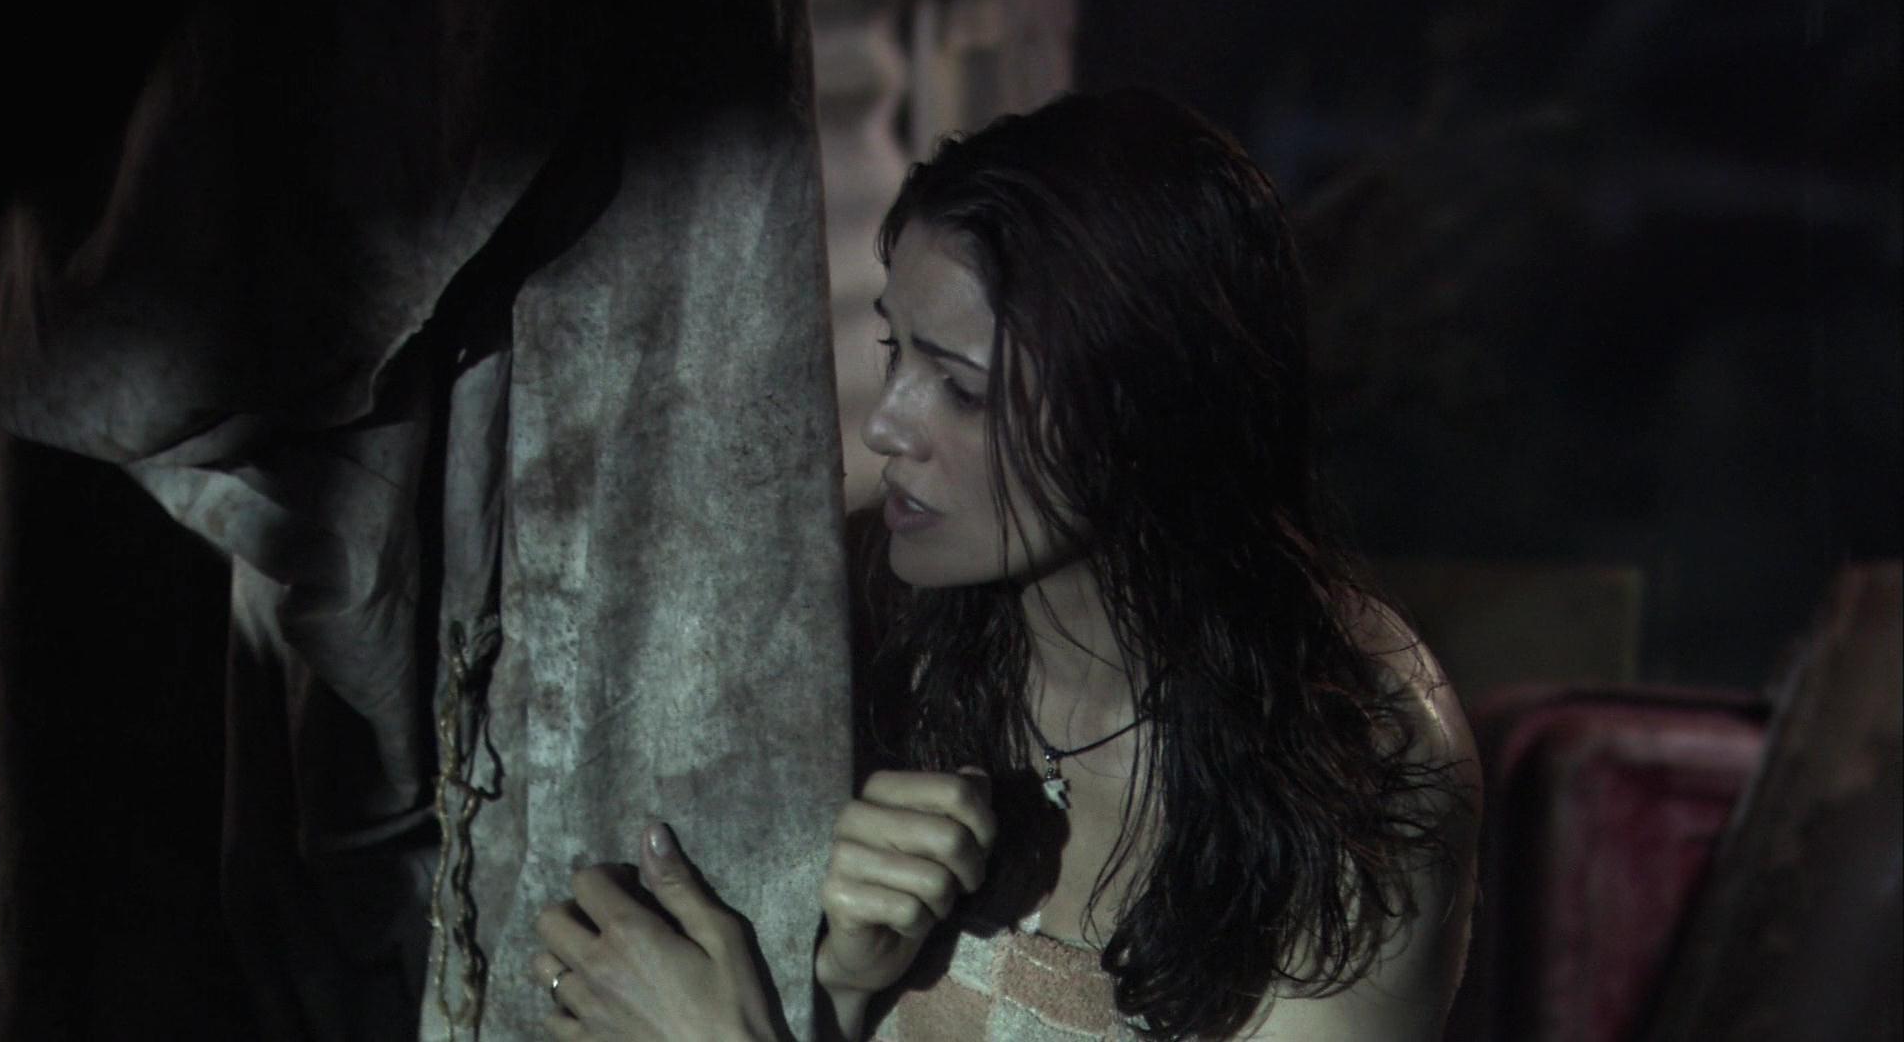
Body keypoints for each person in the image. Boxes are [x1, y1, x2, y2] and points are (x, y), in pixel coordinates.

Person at [529, 89, 1481, 1041]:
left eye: (961, 387)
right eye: (895, 349)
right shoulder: (864, 614)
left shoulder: (1353, 751)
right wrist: (845, 991)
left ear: (1142, 413)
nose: (886, 424)